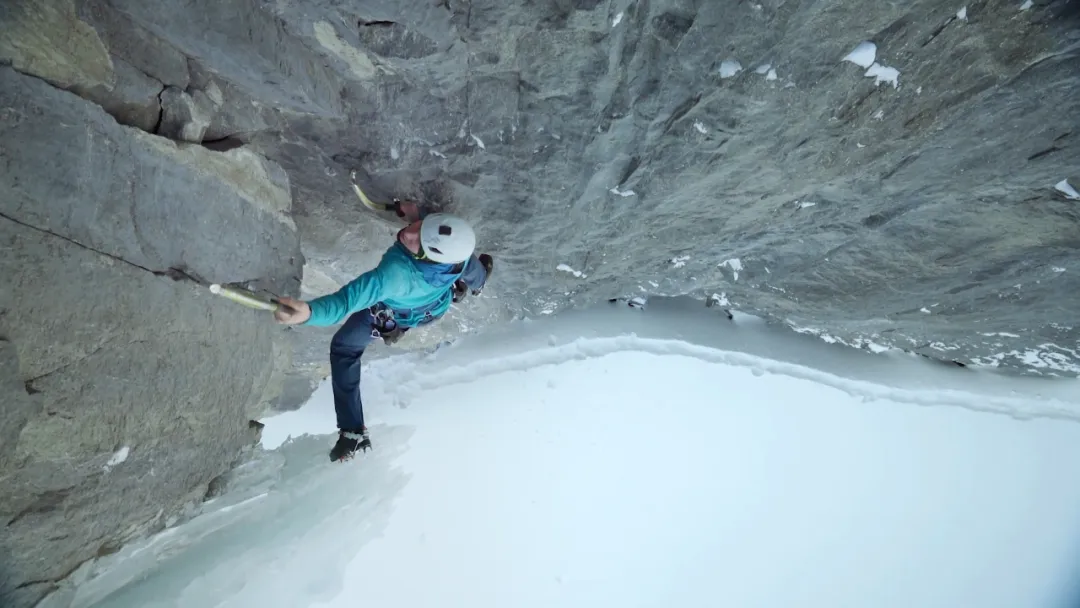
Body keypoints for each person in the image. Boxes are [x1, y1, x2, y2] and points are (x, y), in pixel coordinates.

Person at [274, 210, 493, 462]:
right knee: (470, 267)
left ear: (428, 258)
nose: (408, 234)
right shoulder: (456, 257)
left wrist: (309, 313)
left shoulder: (395, 275)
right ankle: (471, 285)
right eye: (420, 227)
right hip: (434, 306)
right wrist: (417, 214)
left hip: (395, 313)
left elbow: (346, 302)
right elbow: (445, 242)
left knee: (344, 349)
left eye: (418, 242)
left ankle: (353, 431)